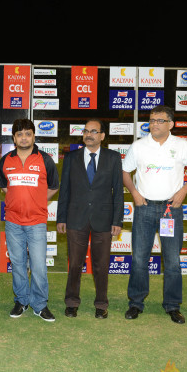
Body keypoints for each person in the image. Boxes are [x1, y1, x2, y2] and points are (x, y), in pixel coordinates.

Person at [122, 105, 187, 324]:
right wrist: (135, 194)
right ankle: (136, 303)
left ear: (171, 124)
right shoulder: (139, 146)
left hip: (171, 209)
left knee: (173, 261)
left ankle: (172, 305)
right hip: (144, 207)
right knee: (139, 258)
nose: (154, 124)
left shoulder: (182, 145)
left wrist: (183, 191)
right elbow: (124, 171)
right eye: (151, 120)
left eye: (159, 120)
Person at [57, 119, 124, 319]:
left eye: (94, 131)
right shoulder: (71, 158)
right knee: (75, 263)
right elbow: (65, 190)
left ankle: (101, 304)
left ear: (102, 136)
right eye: (86, 131)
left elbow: (118, 192)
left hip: (103, 219)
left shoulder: (113, 158)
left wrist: (117, 221)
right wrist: (61, 217)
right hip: (75, 218)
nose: (89, 134)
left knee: (101, 266)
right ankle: (71, 302)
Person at [0, 119, 59, 322]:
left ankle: (40, 304)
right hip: (13, 221)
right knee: (17, 264)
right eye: (19, 134)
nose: (23, 137)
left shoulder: (45, 159)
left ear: (33, 136)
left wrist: (37, 201)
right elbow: (4, 187)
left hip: (36, 222)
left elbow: (53, 186)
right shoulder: (6, 159)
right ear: (14, 138)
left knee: (39, 265)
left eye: (27, 133)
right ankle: (22, 300)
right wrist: (18, 200)